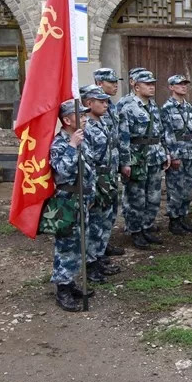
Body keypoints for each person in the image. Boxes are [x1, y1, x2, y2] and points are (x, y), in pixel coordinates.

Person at [49, 99, 95, 312]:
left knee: (79, 244)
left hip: (83, 199)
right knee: (66, 245)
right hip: (67, 201)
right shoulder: (60, 144)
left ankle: (71, 281)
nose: (85, 118)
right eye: (81, 115)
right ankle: (62, 288)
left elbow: (89, 169)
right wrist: (72, 146)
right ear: (67, 120)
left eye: (85, 115)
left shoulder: (82, 139)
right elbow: (61, 172)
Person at [118, 70, 170, 249]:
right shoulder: (127, 107)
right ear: (136, 86)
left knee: (153, 196)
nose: (151, 87)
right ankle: (135, 231)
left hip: (154, 157)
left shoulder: (153, 106)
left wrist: (165, 152)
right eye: (147, 84)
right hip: (137, 159)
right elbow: (123, 137)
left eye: (153, 84)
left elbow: (160, 132)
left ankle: (147, 227)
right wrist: (125, 162)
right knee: (136, 198)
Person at [80, 86, 122, 281]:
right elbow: (87, 160)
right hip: (96, 179)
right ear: (89, 103)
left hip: (108, 178)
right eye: (101, 101)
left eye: (106, 101)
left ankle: (99, 256)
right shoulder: (86, 127)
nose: (106, 105)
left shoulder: (103, 122)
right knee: (95, 222)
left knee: (106, 220)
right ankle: (91, 264)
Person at [160, 75, 192, 235]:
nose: (184, 86)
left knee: (188, 188)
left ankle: (183, 216)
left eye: (185, 84)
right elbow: (167, 134)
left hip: (189, 151)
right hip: (177, 153)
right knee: (175, 188)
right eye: (180, 84)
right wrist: (173, 155)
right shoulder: (167, 108)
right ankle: (174, 220)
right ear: (171, 87)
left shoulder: (189, 107)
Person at [92, 68, 124, 257]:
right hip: (100, 168)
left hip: (112, 165)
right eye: (111, 82)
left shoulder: (111, 106)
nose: (115, 85)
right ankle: (96, 251)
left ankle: (104, 243)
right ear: (99, 83)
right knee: (99, 210)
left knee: (111, 208)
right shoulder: (92, 108)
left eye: (116, 81)